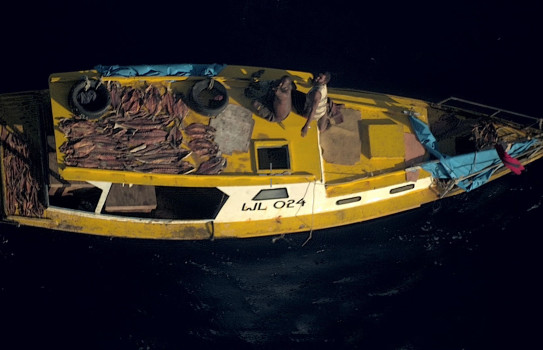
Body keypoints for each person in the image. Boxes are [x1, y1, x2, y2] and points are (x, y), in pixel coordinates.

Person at [301, 72, 331, 137]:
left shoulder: (317, 93)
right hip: (323, 110)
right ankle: (323, 123)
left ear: (324, 81)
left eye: (320, 78)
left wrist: (306, 126)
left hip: (312, 113)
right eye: (318, 76)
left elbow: (313, 110)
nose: (317, 78)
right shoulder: (323, 85)